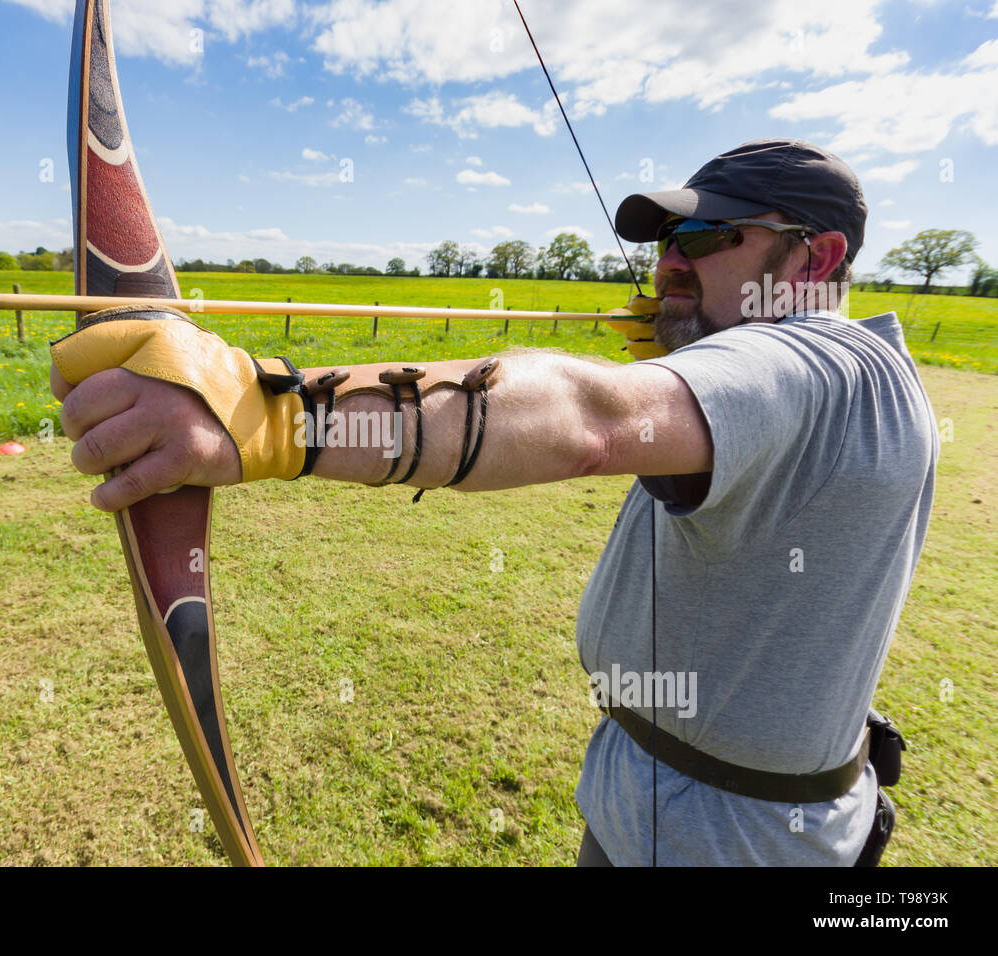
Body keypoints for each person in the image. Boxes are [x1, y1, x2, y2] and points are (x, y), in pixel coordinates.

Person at [50, 138, 936, 866]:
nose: (670, 263)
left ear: (814, 258)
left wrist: (269, 416)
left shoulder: (826, 366)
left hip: (741, 841)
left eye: (705, 240)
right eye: (666, 243)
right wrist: (686, 347)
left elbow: (589, 415)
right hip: (647, 793)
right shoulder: (795, 386)